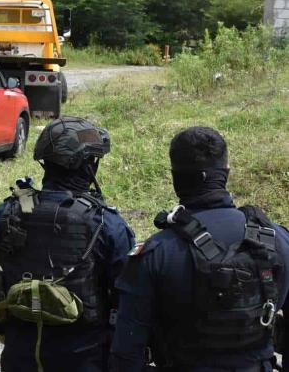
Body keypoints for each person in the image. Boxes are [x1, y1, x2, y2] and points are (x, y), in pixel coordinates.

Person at [111, 126, 289, 372]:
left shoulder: (156, 254)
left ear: (175, 178)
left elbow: (126, 355)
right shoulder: (278, 240)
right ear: (226, 172)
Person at [0, 117, 135, 372]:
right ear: (88, 166)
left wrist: (5, 328)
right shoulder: (105, 223)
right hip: (86, 359)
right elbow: (129, 300)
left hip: (21, 356)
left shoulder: (11, 211)